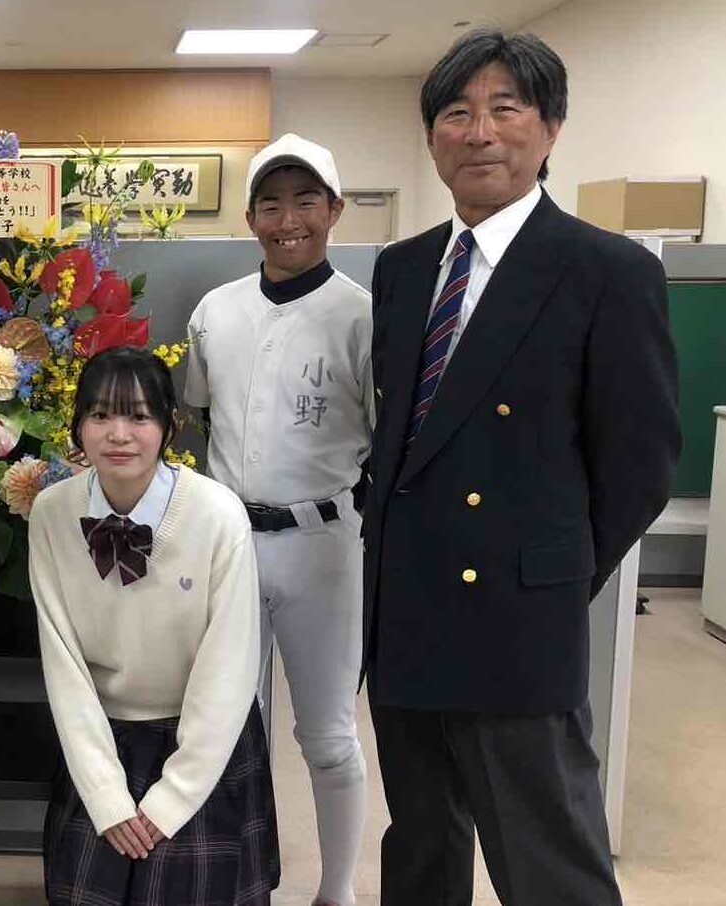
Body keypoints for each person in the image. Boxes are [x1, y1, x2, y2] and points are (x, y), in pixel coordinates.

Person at [363, 29, 681, 906]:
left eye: (504, 109)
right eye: (455, 113)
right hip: (405, 612)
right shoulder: (402, 268)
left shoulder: (604, 270)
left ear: (550, 129)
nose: (478, 132)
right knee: (420, 850)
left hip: (517, 621)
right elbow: (401, 439)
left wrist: (549, 573)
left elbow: (641, 462)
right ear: (432, 136)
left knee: (547, 861)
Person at [184, 133, 372, 906]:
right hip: (229, 540)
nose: (286, 220)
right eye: (270, 203)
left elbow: (384, 436)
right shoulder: (215, 310)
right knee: (228, 724)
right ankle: (238, 883)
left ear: (334, 210)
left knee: (326, 735)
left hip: (322, 544)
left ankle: (337, 891)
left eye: (304, 201)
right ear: (250, 216)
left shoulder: (362, 315)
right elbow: (198, 414)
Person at [28, 348, 280, 905]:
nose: (119, 434)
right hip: (103, 737)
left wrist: (174, 798)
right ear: (77, 425)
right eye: (100, 415)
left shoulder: (217, 514)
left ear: (169, 426)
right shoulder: (51, 512)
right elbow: (63, 666)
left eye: (139, 416)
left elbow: (229, 669)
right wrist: (105, 795)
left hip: (203, 740)